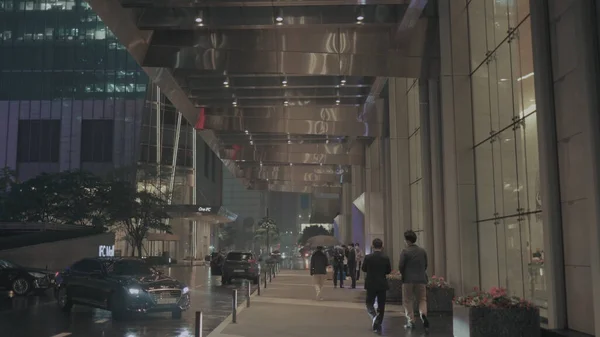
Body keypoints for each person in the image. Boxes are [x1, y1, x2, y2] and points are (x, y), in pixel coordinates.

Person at [399, 230, 429, 330]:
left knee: (408, 300)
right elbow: (425, 265)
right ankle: (423, 314)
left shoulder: (405, 251)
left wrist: (404, 274)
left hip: (408, 280)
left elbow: (401, 266)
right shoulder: (422, 251)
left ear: (407, 240)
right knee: (422, 299)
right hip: (421, 279)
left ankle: (411, 321)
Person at [361, 238, 391, 333]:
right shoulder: (386, 257)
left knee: (369, 303)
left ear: (372, 246)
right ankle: (378, 322)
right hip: (382, 284)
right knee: (381, 305)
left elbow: (363, 269)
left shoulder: (368, 257)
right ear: (382, 246)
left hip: (371, 284)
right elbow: (388, 270)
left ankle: (374, 317)